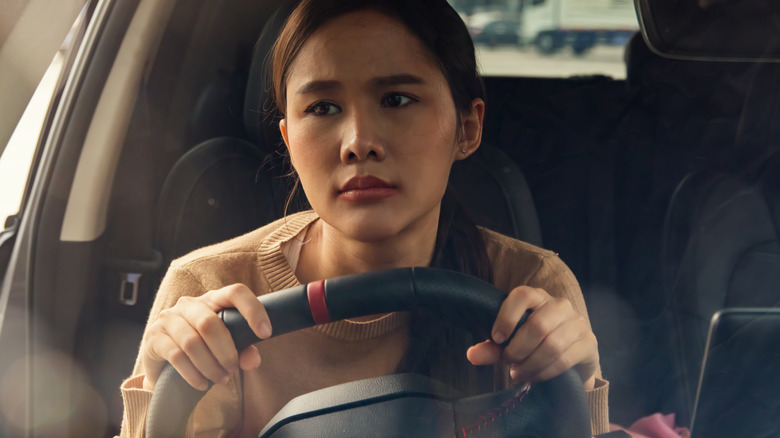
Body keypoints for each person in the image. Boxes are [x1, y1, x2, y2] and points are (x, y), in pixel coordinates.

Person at [120, 0, 609, 436]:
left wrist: (579, 384)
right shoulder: (211, 291)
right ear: (289, 143)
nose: (358, 141)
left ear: (467, 126)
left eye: (396, 99)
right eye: (323, 107)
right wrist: (160, 385)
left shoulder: (529, 290)